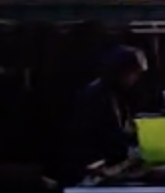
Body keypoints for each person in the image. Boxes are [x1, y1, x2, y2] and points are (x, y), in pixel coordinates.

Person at [56, 45, 148, 185]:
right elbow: (102, 134)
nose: (135, 79)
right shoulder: (97, 95)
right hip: (89, 167)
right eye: (134, 73)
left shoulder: (116, 95)